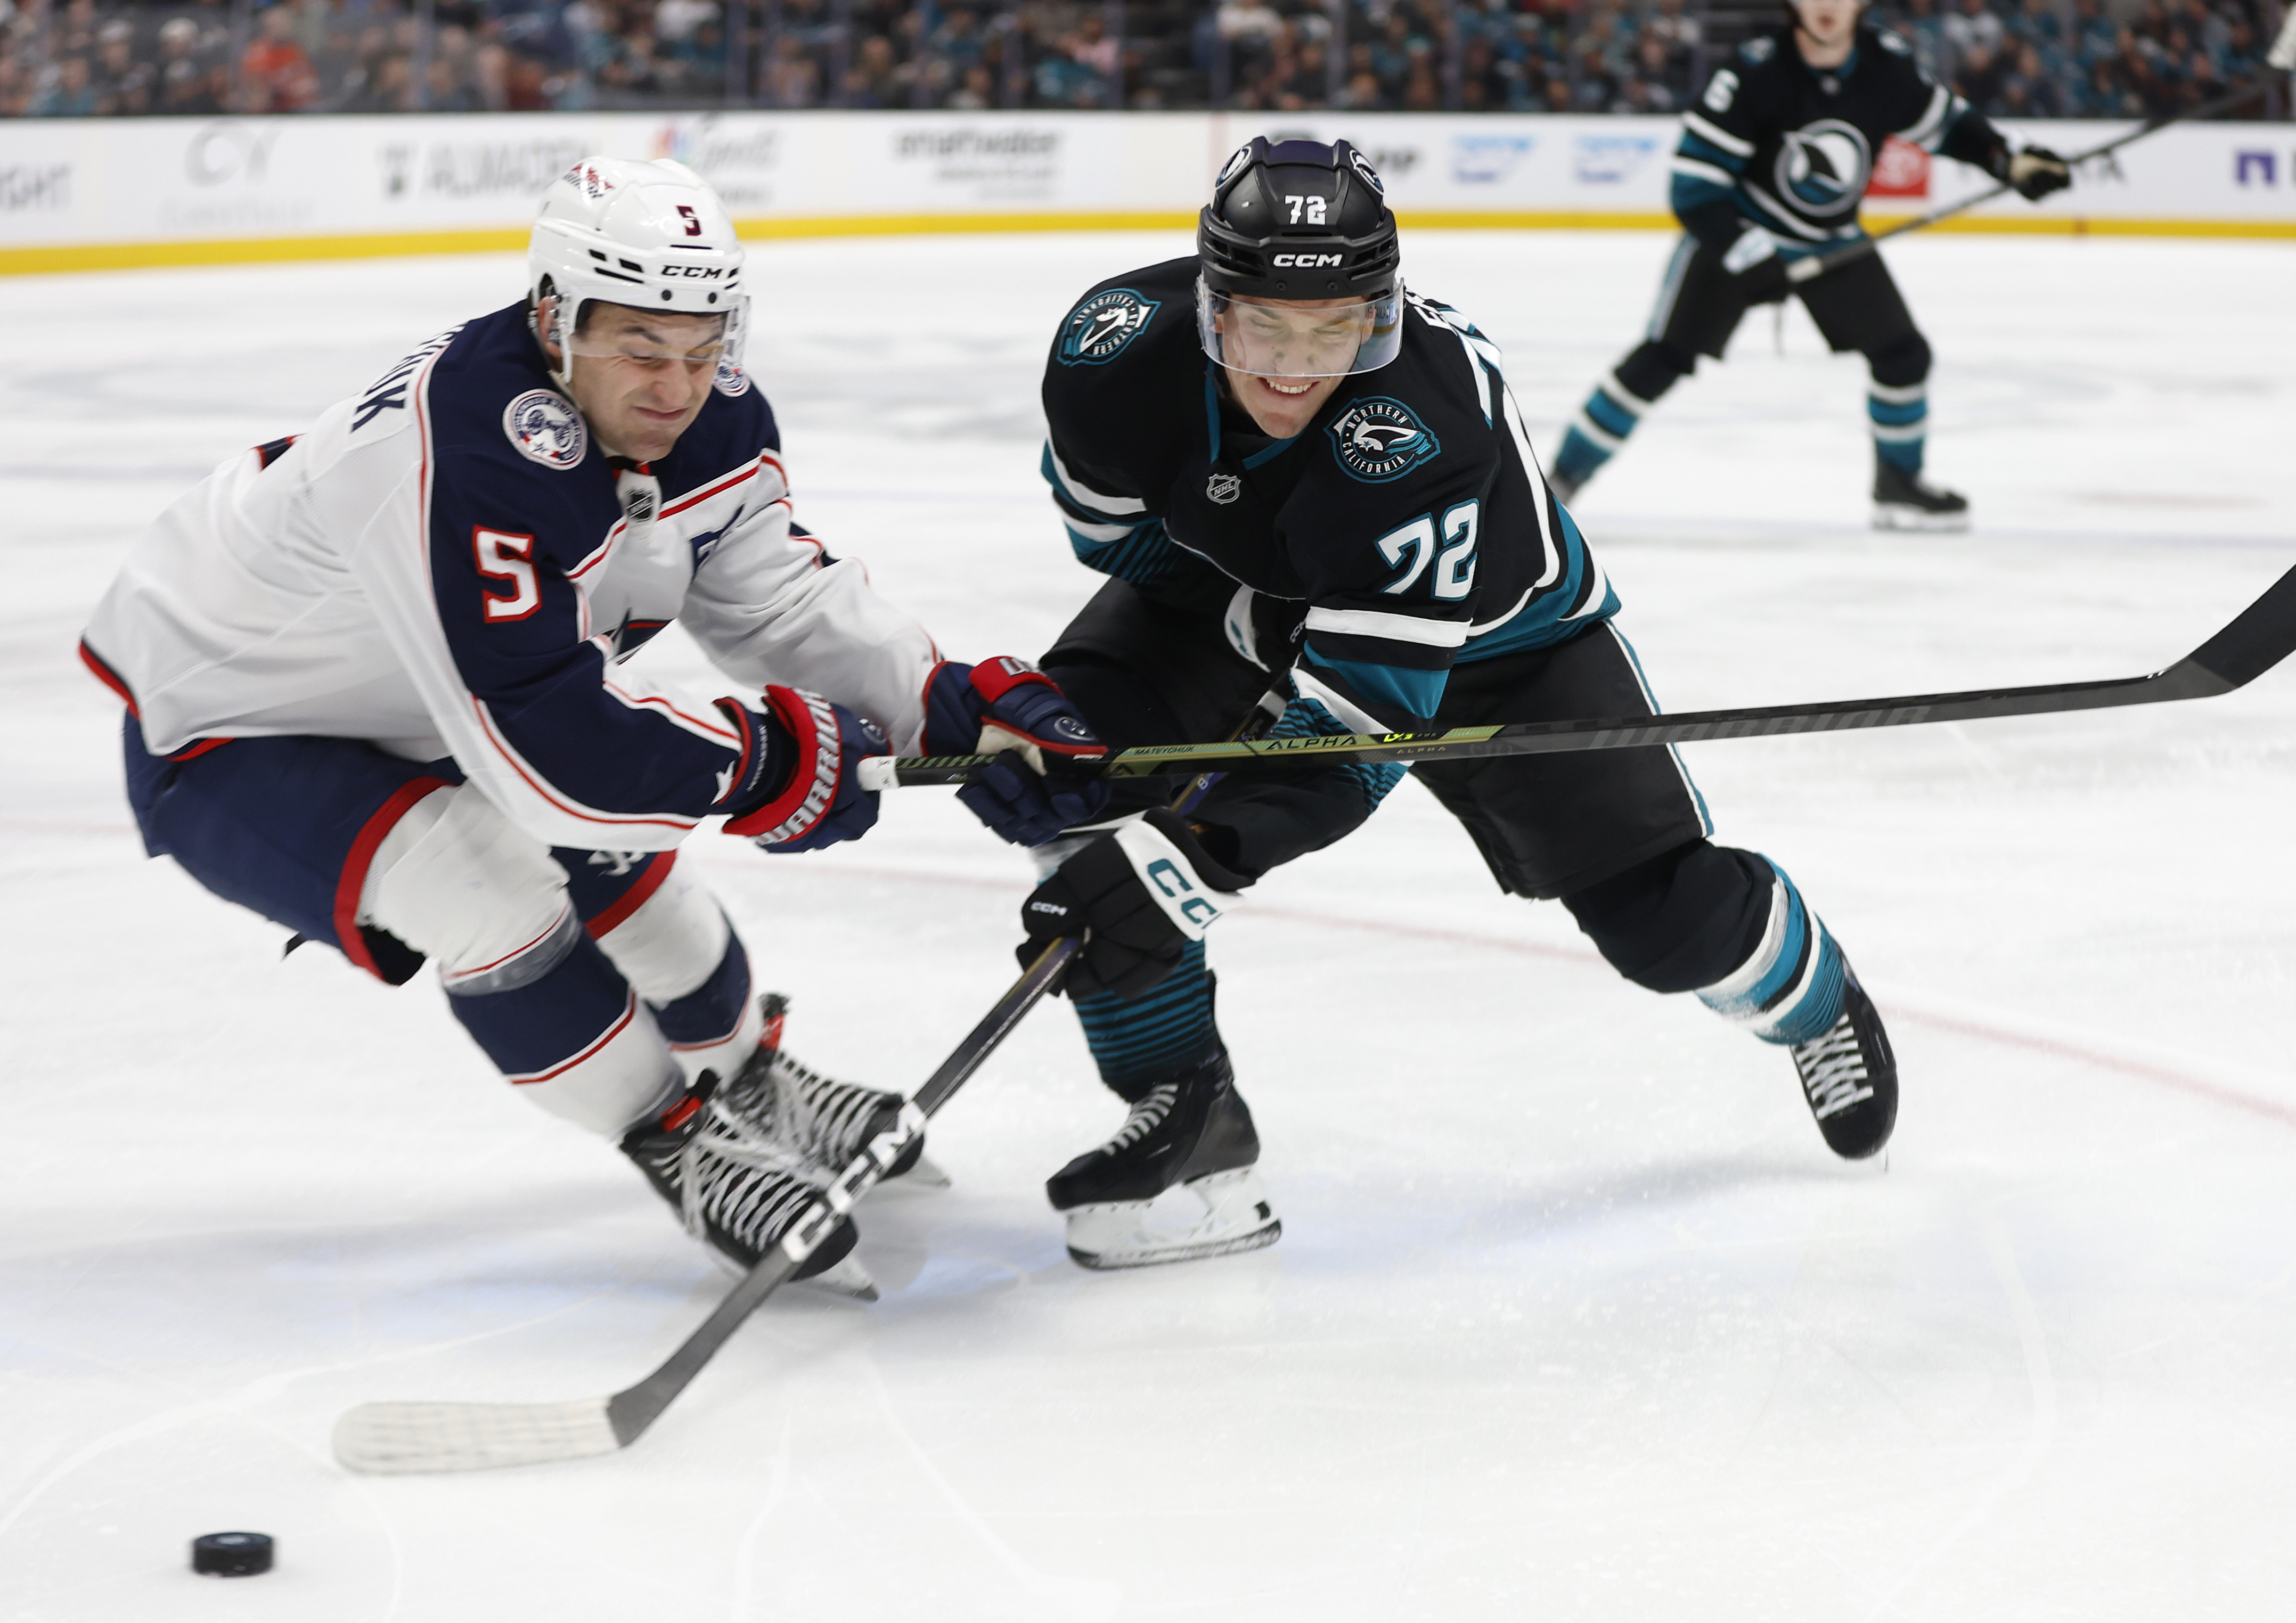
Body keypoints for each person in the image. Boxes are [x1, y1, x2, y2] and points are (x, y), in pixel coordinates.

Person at [79, 158, 1106, 1297]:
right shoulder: (461, 448)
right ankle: (674, 1136)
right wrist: (769, 760)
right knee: (484, 885)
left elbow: (777, 602)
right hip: (230, 725)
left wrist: (946, 706)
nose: (676, 388)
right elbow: (546, 756)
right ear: (551, 319)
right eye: (638, 347)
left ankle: (747, 1081)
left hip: (420, 696)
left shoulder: (711, 411)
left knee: (638, 880)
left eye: (702, 345)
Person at [1010, 137, 1900, 1273]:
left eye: (1333, 326)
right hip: (1251, 595)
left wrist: (1193, 849)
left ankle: (1805, 990)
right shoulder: (1107, 358)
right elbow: (1126, 545)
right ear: (1207, 305)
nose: (1293, 368)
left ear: (1377, 314)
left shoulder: (1425, 423)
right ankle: (1189, 1125)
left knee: (1659, 923)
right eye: (1262, 327)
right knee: (1072, 763)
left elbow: (1356, 736)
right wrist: (1177, 713)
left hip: (1502, 642)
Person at [1545, 0, 2074, 530]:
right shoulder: (1754, 73)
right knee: (1660, 361)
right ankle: (1553, 487)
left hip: (1827, 243)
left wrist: (2009, 160)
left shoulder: (1885, 68)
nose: (1826, 6)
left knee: (1901, 357)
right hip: (1734, 233)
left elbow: (1951, 127)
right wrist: (1748, 253)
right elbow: (1693, 190)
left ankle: (1897, 484)